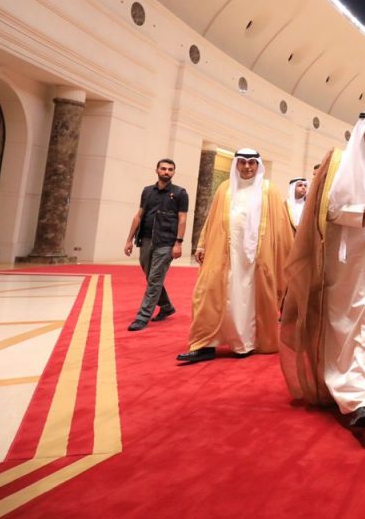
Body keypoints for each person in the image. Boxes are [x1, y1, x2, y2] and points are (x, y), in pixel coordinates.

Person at [280, 109, 365, 430]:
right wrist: (361, 212)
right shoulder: (338, 163)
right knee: (345, 322)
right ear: (362, 128)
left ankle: (364, 398)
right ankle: (344, 388)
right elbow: (325, 211)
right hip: (344, 259)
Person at [177, 149, 292, 363]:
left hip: (255, 258)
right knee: (209, 292)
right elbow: (211, 218)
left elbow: (281, 226)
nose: (247, 167)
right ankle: (204, 344)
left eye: (251, 163)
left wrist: (281, 255)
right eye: (242, 162)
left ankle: (244, 343)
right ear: (236, 164)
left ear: (258, 165)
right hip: (224, 251)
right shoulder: (225, 187)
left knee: (245, 299)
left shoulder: (269, 190)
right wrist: (202, 244)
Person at [124, 158, 188, 331]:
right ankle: (166, 306)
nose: (166, 171)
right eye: (163, 168)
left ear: (173, 172)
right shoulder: (147, 191)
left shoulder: (180, 193)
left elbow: (182, 219)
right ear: (157, 170)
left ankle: (142, 317)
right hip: (145, 240)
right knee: (151, 277)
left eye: (170, 169)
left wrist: (178, 243)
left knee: (154, 279)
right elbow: (139, 215)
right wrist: (129, 239)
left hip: (166, 242)